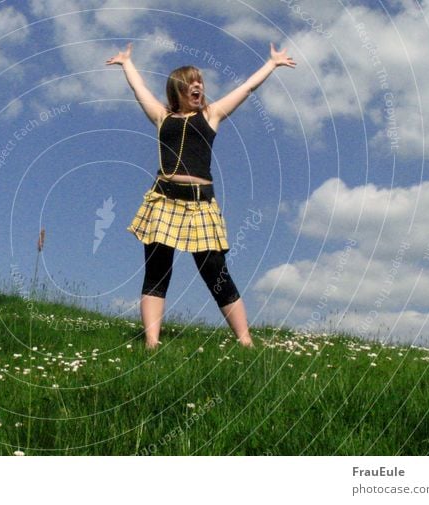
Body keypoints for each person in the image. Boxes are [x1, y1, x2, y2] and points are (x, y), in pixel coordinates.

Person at [106, 42, 295, 349]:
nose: (198, 86)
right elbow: (139, 88)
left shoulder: (211, 114)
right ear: (177, 90)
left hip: (199, 205)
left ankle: (245, 341)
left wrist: (271, 65)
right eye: (190, 83)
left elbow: (246, 88)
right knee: (157, 271)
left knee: (215, 273)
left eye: (200, 82)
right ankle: (152, 344)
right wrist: (127, 63)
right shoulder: (161, 117)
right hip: (164, 200)